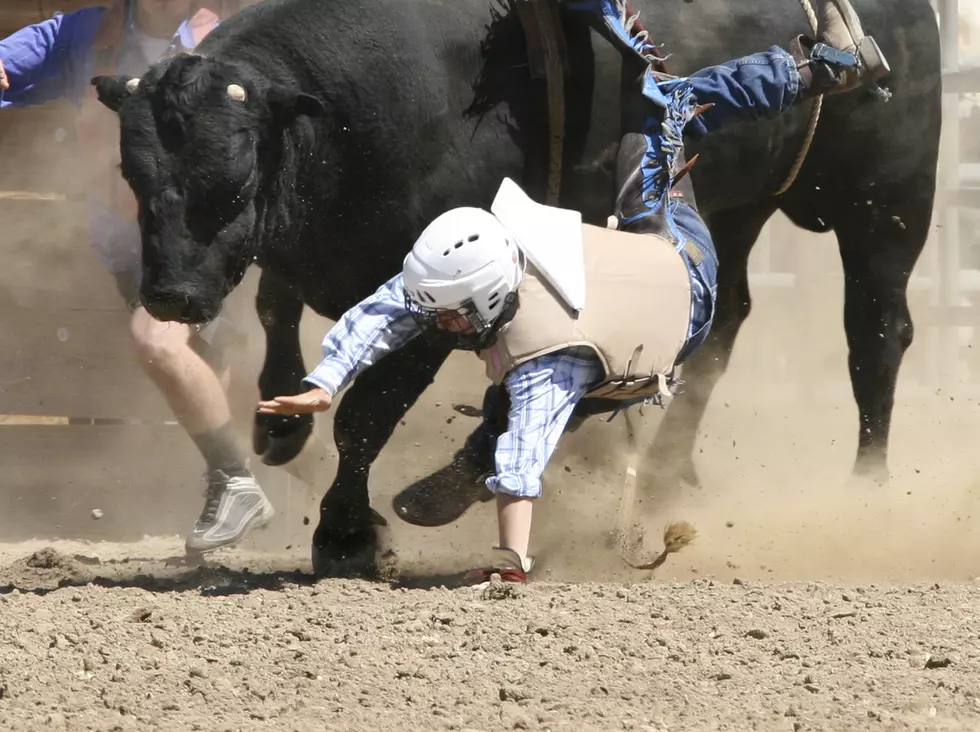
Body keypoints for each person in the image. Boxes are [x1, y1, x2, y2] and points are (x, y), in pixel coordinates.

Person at [257, 0, 890, 582]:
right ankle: (822, 67)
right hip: (653, 303)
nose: (435, 323)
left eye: (445, 317)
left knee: (545, 393)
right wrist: (325, 381)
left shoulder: (540, 349)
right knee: (662, 114)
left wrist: (511, 564)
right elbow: (390, 309)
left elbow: (522, 470)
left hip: (673, 289)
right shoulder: (495, 283)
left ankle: (479, 450)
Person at [0, 0, 275, 556]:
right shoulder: (86, 34)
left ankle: (239, 485)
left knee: (166, 345)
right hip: (136, 251)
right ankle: (310, 508)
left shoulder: (234, 35)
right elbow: (10, 62)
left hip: (211, 251)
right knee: (215, 373)